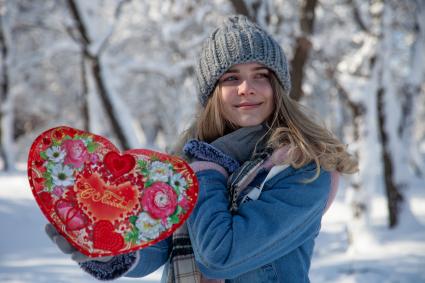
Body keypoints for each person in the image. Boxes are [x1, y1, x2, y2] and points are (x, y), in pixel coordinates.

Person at [45, 15, 358, 282]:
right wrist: (107, 249)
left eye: (260, 76)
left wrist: (205, 171)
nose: (245, 88)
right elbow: (157, 246)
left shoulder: (301, 169)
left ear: (277, 89)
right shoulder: (190, 161)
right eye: (230, 78)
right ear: (212, 95)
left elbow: (220, 255)